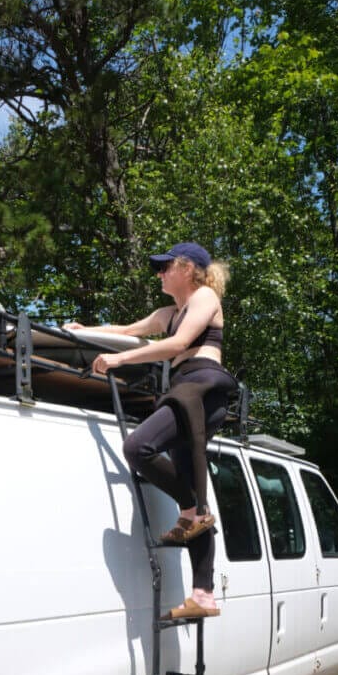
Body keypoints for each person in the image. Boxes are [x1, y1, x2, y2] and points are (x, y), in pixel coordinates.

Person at [64, 241, 236, 619]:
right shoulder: (168, 311)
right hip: (183, 388)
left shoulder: (204, 297)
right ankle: (203, 594)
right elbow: (127, 329)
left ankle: (192, 507)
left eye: (165, 267)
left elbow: (177, 344)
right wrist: (85, 329)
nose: (158, 274)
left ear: (188, 269)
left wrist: (118, 360)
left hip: (203, 386)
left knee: (137, 447)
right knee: (191, 495)